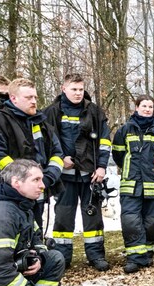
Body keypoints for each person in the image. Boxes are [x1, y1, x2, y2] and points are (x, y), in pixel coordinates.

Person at [43, 74, 112, 271]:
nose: (78, 93)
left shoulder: (95, 112)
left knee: (93, 216)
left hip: (90, 174)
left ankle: (96, 256)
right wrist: (59, 159)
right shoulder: (51, 112)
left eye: (80, 89)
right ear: (63, 88)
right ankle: (62, 258)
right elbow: (45, 142)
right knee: (63, 216)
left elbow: (105, 142)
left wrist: (102, 167)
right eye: (74, 89)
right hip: (63, 175)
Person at [0, 78, 64, 230]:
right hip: (12, 192)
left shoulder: (42, 122)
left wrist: (48, 178)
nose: (34, 101)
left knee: (36, 232)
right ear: (13, 98)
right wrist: (25, 180)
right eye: (28, 98)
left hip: (39, 190)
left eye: (35, 97)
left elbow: (57, 154)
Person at [112, 95, 154, 273]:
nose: (147, 109)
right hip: (131, 184)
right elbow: (118, 155)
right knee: (131, 221)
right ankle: (134, 258)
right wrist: (131, 168)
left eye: (150, 106)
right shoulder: (125, 130)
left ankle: (146, 254)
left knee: (153, 221)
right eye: (144, 106)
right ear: (136, 107)